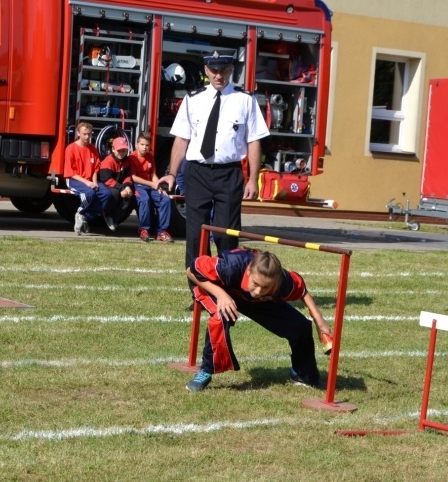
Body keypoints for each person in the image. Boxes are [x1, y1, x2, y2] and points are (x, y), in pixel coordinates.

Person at [164, 49, 269, 283]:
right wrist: (171, 173)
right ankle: (200, 291)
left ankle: (228, 286)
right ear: (206, 71)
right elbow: (181, 138)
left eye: (223, 70)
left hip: (229, 173)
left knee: (226, 235)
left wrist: (252, 179)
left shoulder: (246, 100)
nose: (218, 75)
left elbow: (253, 140)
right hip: (197, 172)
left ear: (231, 70)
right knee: (195, 236)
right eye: (213, 70)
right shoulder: (193, 99)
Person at [185, 248, 331, 392]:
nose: (259, 291)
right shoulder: (230, 266)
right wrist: (221, 294)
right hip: (216, 287)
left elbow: (302, 290)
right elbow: (191, 271)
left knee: (301, 327)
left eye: (266, 287)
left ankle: (302, 374)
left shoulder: (282, 282)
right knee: (221, 317)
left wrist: (319, 319)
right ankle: (206, 370)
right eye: (256, 283)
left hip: (253, 301)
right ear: (249, 272)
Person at [129, 131, 175, 242]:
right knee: (145, 200)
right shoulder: (132, 158)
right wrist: (152, 184)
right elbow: (134, 177)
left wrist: (159, 187)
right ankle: (144, 230)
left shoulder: (150, 157)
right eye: (142, 144)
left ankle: (161, 232)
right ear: (137, 144)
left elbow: (153, 175)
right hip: (139, 186)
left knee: (165, 200)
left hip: (150, 186)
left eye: (147, 145)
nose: (145, 148)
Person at [64, 121, 101, 235]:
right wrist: (88, 183)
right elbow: (70, 172)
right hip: (74, 180)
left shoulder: (93, 149)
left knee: (106, 194)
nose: (87, 136)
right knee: (89, 194)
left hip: (89, 181)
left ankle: (85, 217)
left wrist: (94, 182)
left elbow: (96, 168)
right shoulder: (70, 148)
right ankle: (80, 212)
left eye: (89, 134)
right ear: (78, 133)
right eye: (84, 134)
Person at [96, 136, 134, 231]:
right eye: (119, 150)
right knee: (114, 194)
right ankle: (107, 214)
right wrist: (121, 188)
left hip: (119, 185)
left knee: (129, 195)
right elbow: (106, 180)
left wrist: (128, 186)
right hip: (107, 185)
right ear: (113, 149)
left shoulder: (127, 161)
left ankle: (115, 218)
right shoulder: (107, 162)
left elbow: (127, 176)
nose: (121, 153)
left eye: (124, 150)